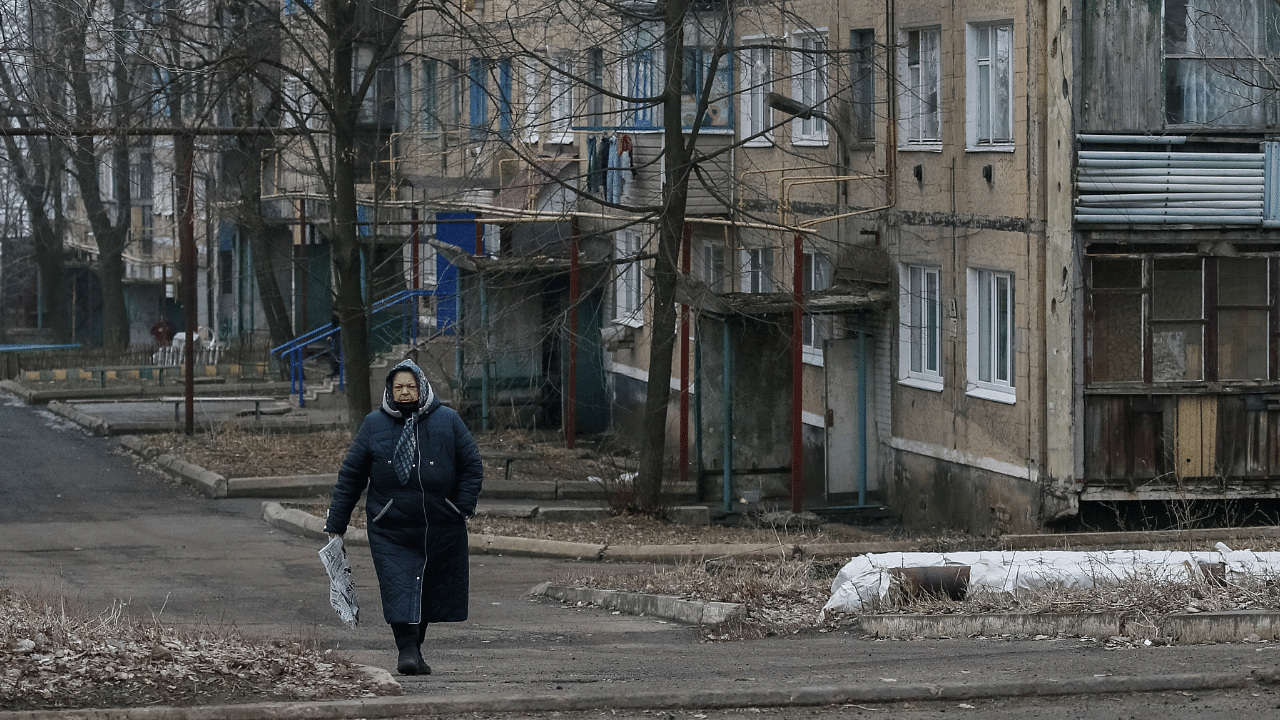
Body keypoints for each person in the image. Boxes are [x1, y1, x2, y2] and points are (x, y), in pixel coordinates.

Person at [324, 359, 483, 676]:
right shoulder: (374, 425)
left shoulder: (448, 421)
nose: (405, 392)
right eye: (399, 387)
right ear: (390, 390)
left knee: (424, 590)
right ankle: (407, 650)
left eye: (411, 386)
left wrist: (460, 507)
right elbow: (351, 476)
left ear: (422, 387)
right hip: (391, 527)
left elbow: (472, 467)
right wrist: (336, 524)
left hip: (439, 526)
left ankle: (414, 650)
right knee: (399, 587)